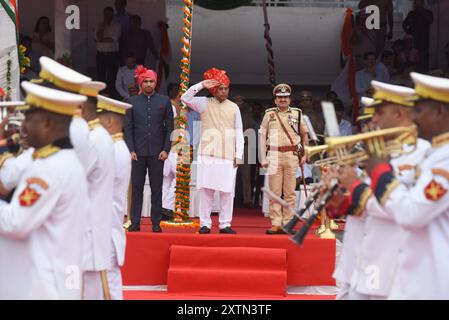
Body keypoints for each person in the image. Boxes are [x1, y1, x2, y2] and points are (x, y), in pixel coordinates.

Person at [340, 73, 449, 299]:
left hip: (430, 278)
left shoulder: (439, 158)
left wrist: (375, 174)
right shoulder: (435, 154)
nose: (413, 117)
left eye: (418, 110)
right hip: (400, 268)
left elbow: (410, 213)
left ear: (439, 112)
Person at [0, 81, 88, 299]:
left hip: (42, 284)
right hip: (55, 280)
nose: (24, 126)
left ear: (48, 124)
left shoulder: (48, 168)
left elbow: (14, 222)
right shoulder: (64, 160)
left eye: (30, 119)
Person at [181, 68, 244, 234]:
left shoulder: (234, 107)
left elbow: (239, 131)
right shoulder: (203, 103)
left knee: (227, 193)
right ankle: (205, 224)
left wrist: (239, 155)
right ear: (214, 90)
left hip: (228, 156)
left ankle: (225, 224)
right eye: (220, 88)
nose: (224, 92)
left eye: (226, 88)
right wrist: (202, 85)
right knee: (206, 191)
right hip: (207, 155)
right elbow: (184, 98)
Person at [124, 66, 173, 232]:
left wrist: (166, 149)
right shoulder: (132, 102)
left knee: (156, 189)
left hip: (157, 153)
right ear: (140, 83)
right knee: (137, 189)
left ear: (156, 82)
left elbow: (169, 129)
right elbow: (128, 129)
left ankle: (156, 223)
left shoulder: (164, 101)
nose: (149, 84)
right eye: (145, 81)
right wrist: (130, 150)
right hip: (137, 153)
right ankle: (135, 222)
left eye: (151, 81)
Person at [259, 84, 309, 234]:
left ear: (290, 99)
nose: (283, 99)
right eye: (280, 97)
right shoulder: (269, 114)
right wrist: (263, 157)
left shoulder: (297, 114)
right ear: (275, 100)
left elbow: (304, 135)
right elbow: (262, 136)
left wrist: (305, 154)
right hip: (273, 154)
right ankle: (276, 222)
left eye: (285, 97)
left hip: (292, 155)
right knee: (274, 191)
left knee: (289, 192)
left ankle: (287, 223)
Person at [97, 95, 132, 300]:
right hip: (103, 228)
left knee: (108, 288)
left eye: (96, 119)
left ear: (109, 121)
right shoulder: (113, 147)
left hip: (104, 229)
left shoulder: (113, 150)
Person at [94, 7, 121, 98]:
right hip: (101, 54)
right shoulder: (99, 25)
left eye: (109, 14)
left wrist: (101, 39)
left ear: (112, 14)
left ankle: (112, 96)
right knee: (101, 76)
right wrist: (102, 27)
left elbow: (114, 39)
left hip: (112, 54)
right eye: (106, 14)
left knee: (112, 77)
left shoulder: (117, 25)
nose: (107, 16)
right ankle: (101, 96)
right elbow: (97, 38)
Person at [234, 96, 255, 207]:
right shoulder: (229, 114)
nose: (238, 105)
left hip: (245, 148)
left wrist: (241, 141)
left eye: (240, 102)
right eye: (236, 102)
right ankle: (232, 199)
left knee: (246, 176)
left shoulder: (248, 116)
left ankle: (247, 199)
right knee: (231, 175)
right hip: (231, 147)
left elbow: (251, 132)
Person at [403, 0, 433, 73]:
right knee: (413, 57)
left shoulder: (428, 12)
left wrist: (421, 11)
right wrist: (408, 33)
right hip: (413, 40)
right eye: (416, 3)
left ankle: (424, 73)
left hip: (423, 39)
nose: (417, 5)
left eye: (419, 3)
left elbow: (431, 20)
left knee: (423, 57)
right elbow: (404, 24)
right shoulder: (412, 13)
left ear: (422, 4)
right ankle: (413, 72)